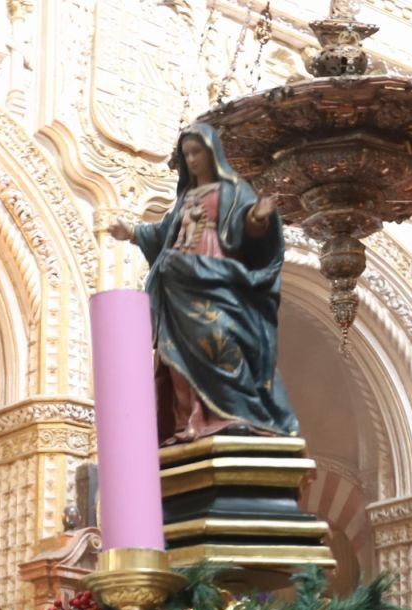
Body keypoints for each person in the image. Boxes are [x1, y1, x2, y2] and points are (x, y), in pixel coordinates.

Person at [108, 123, 298, 444]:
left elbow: (248, 232)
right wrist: (133, 233)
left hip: (215, 273)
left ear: (212, 153)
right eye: (187, 154)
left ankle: (234, 414)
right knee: (174, 351)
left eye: (197, 152)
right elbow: (164, 232)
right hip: (177, 281)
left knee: (219, 335)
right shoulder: (186, 197)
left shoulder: (234, 190)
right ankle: (189, 421)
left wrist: (257, 218)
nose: (192, 160)